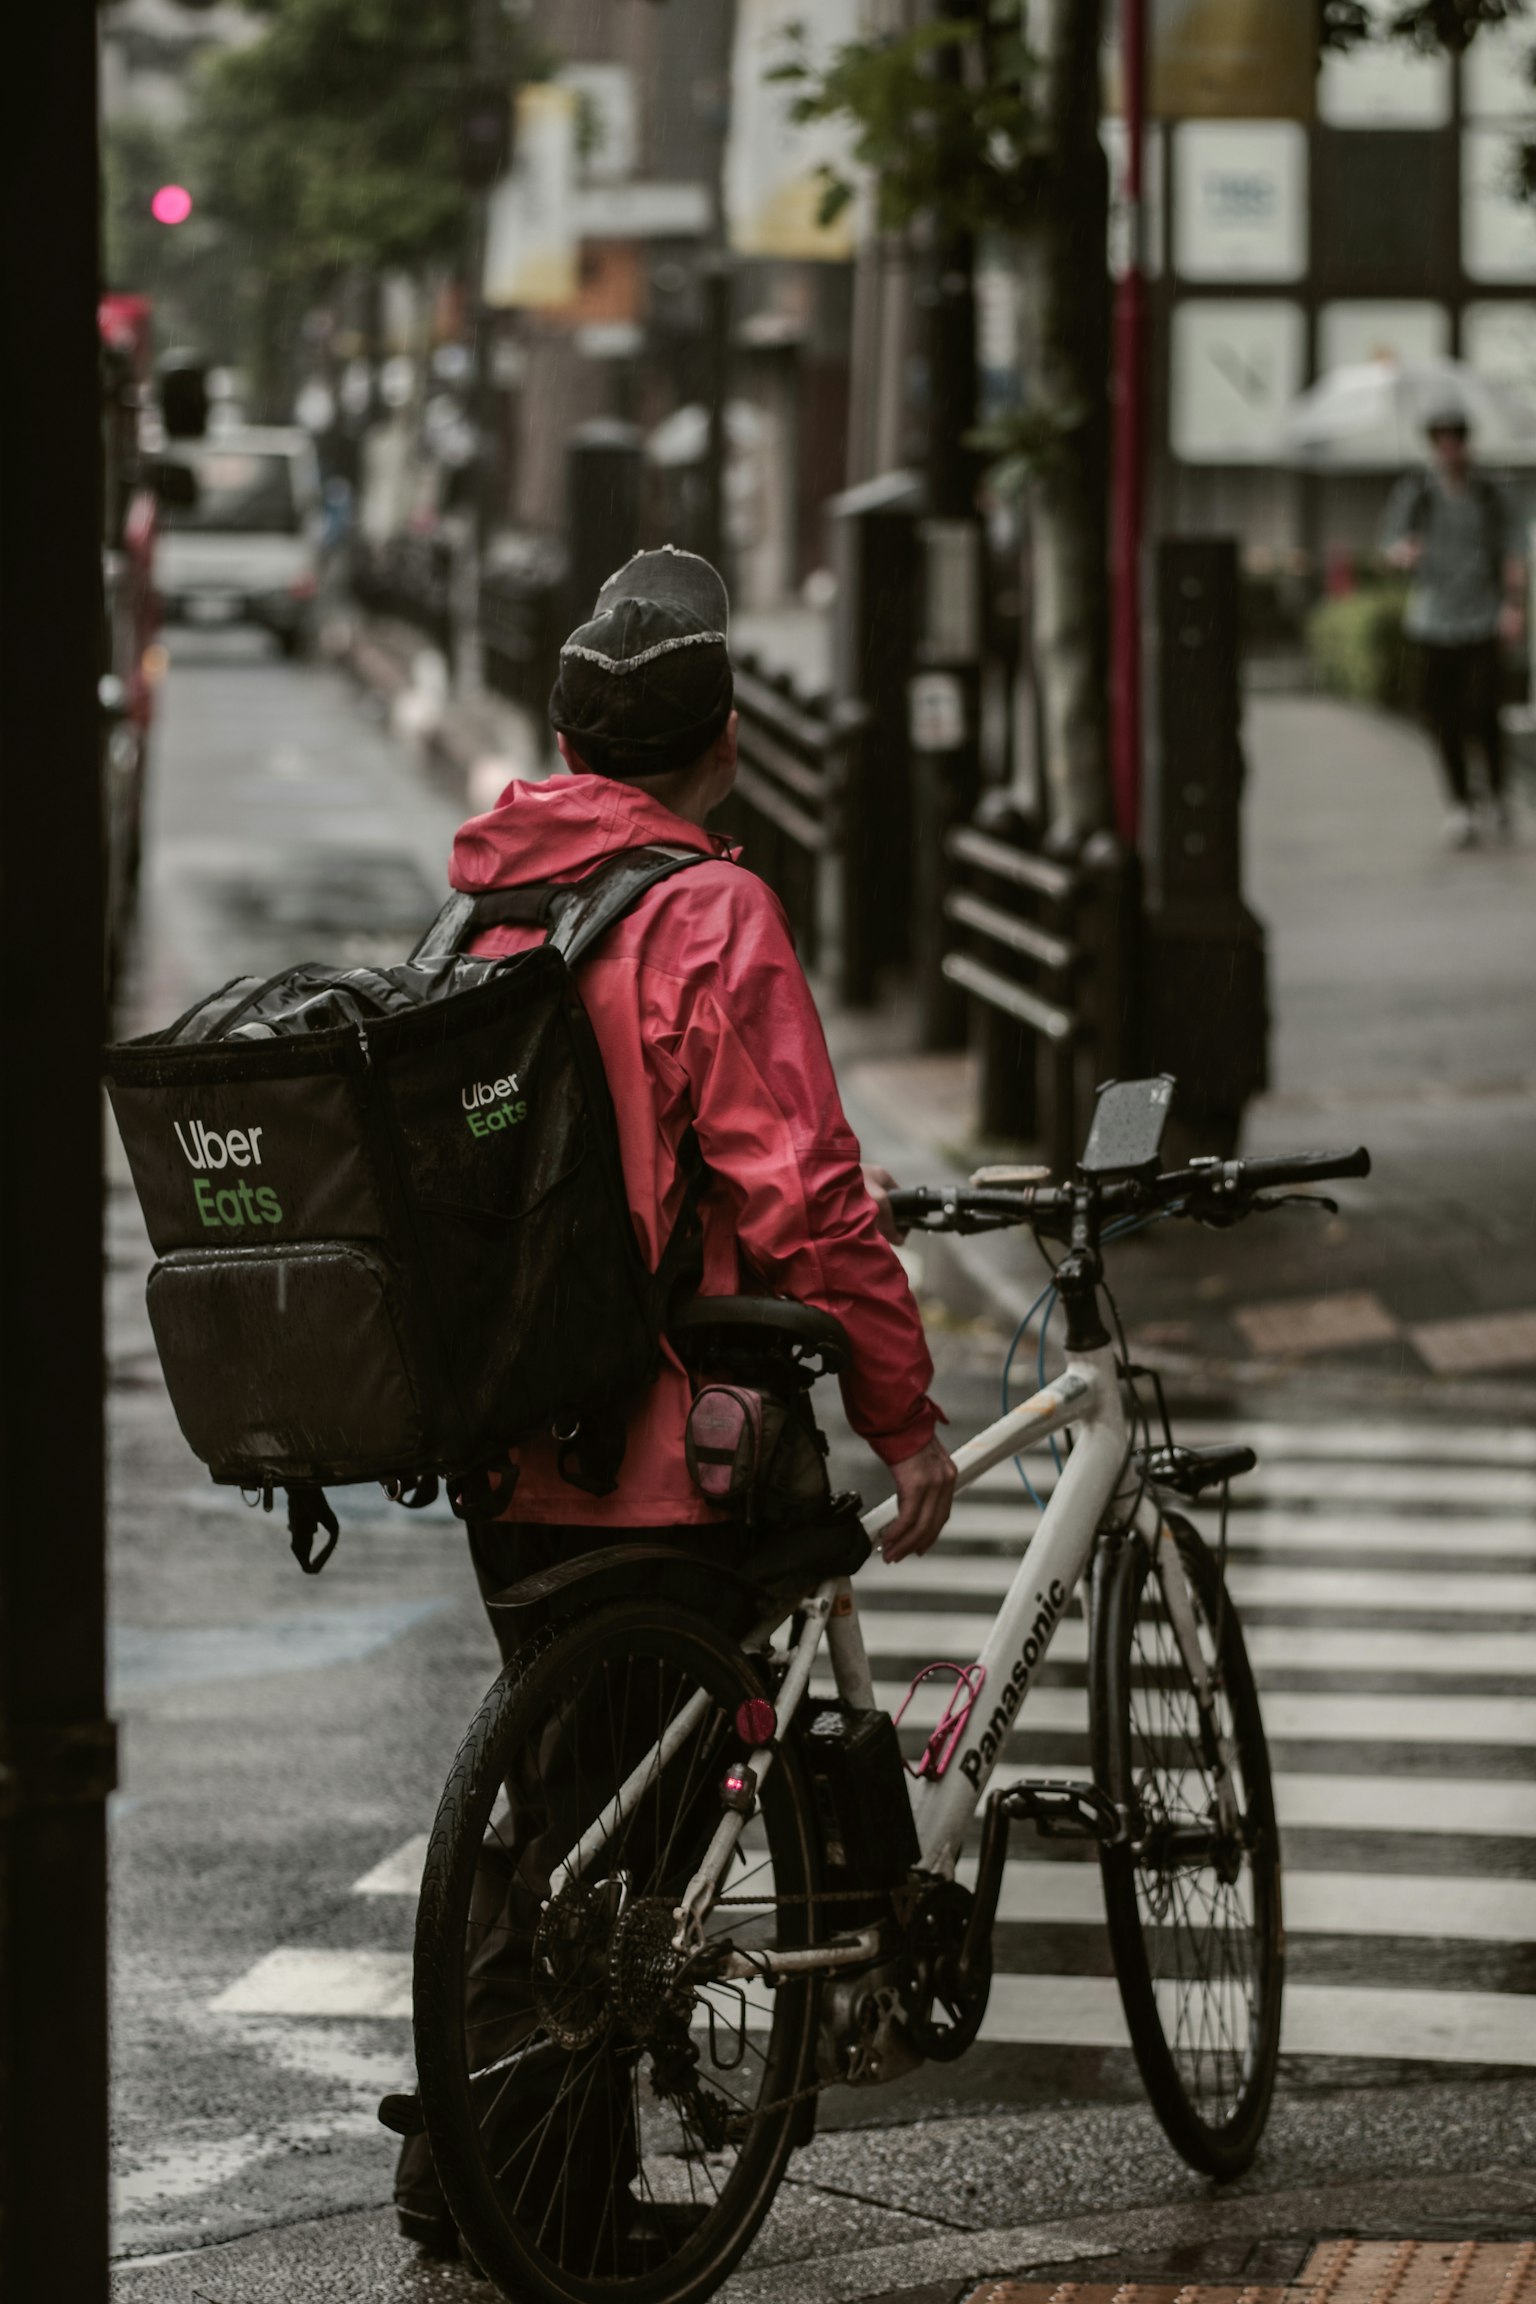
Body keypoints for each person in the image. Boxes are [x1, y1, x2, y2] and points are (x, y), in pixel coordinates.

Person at [393, 544, 955, 2255]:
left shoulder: (482, 907)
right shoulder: (709, 911)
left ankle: (476, 2174)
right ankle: (566, 2204)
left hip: (505, 1445)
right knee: (639, 1863)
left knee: (554, 1819)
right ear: (721, 741)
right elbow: (804, 1192)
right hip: (666, 1453)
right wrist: (904, 1409)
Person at [1381, 408, 1524, 847]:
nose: (1449, 449)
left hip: (1481, 615)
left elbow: (1514, 552)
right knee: (1441, 714)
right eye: (1440, 440)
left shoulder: (1490, 492)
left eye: (1455, 439)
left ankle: (1497, 796)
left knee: (1483, 709)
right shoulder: (1416, 490)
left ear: (1465, 443)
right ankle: (1460, 804)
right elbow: (1391, 543)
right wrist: (1404, 552)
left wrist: (1514, 607)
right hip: (1433, 618)